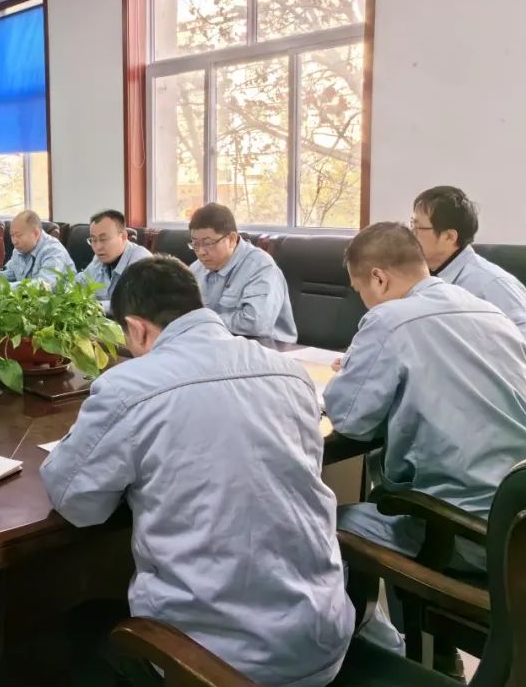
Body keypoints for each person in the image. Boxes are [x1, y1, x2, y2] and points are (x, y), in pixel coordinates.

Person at [42, 255, 352, 686]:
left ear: (135, 328)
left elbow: (74, 501)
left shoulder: (130, 387)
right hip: (322, 637)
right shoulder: (292, 374)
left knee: (75, 627)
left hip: (215, 665)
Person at [326, 223, 526, 662]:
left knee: (330, 519)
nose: (363, 301)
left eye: (360, 290)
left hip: (471, 533)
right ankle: (436, 655)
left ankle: (375, 657)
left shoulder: (388, 320)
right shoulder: (489, 312)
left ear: (378, 278)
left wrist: (351, 370)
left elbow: (349, 418)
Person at [412, 186, 526, 375]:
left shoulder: (494, 285)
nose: (411, 235)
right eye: (411, 224)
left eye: (418, 228)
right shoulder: (423, 280)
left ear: (449, 237)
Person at [187, 203, 297, 343]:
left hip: (265, 348)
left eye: (208, 243)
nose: (201, 252)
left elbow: (255, 324)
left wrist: (201, 322)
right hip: (216, 343)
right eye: (195, 244)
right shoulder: (196, 268)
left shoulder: (261, 267)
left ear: (232, 239)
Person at [74, 210, 151, 310]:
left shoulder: (142, 262)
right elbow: (80, 282)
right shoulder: (99, 259)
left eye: (104, 239)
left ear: (123, 236)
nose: (98, 247)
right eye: (93, 240)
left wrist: (93, 307)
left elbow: (133, 304)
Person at [0, 210, 74, 287]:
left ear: (36, 233)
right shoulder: (19, 250)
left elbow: (44, 286)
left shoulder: (54, 251)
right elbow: (9, 273)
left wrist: (0, 287)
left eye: (18, 235)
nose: (14, 241)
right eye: (12, 236)